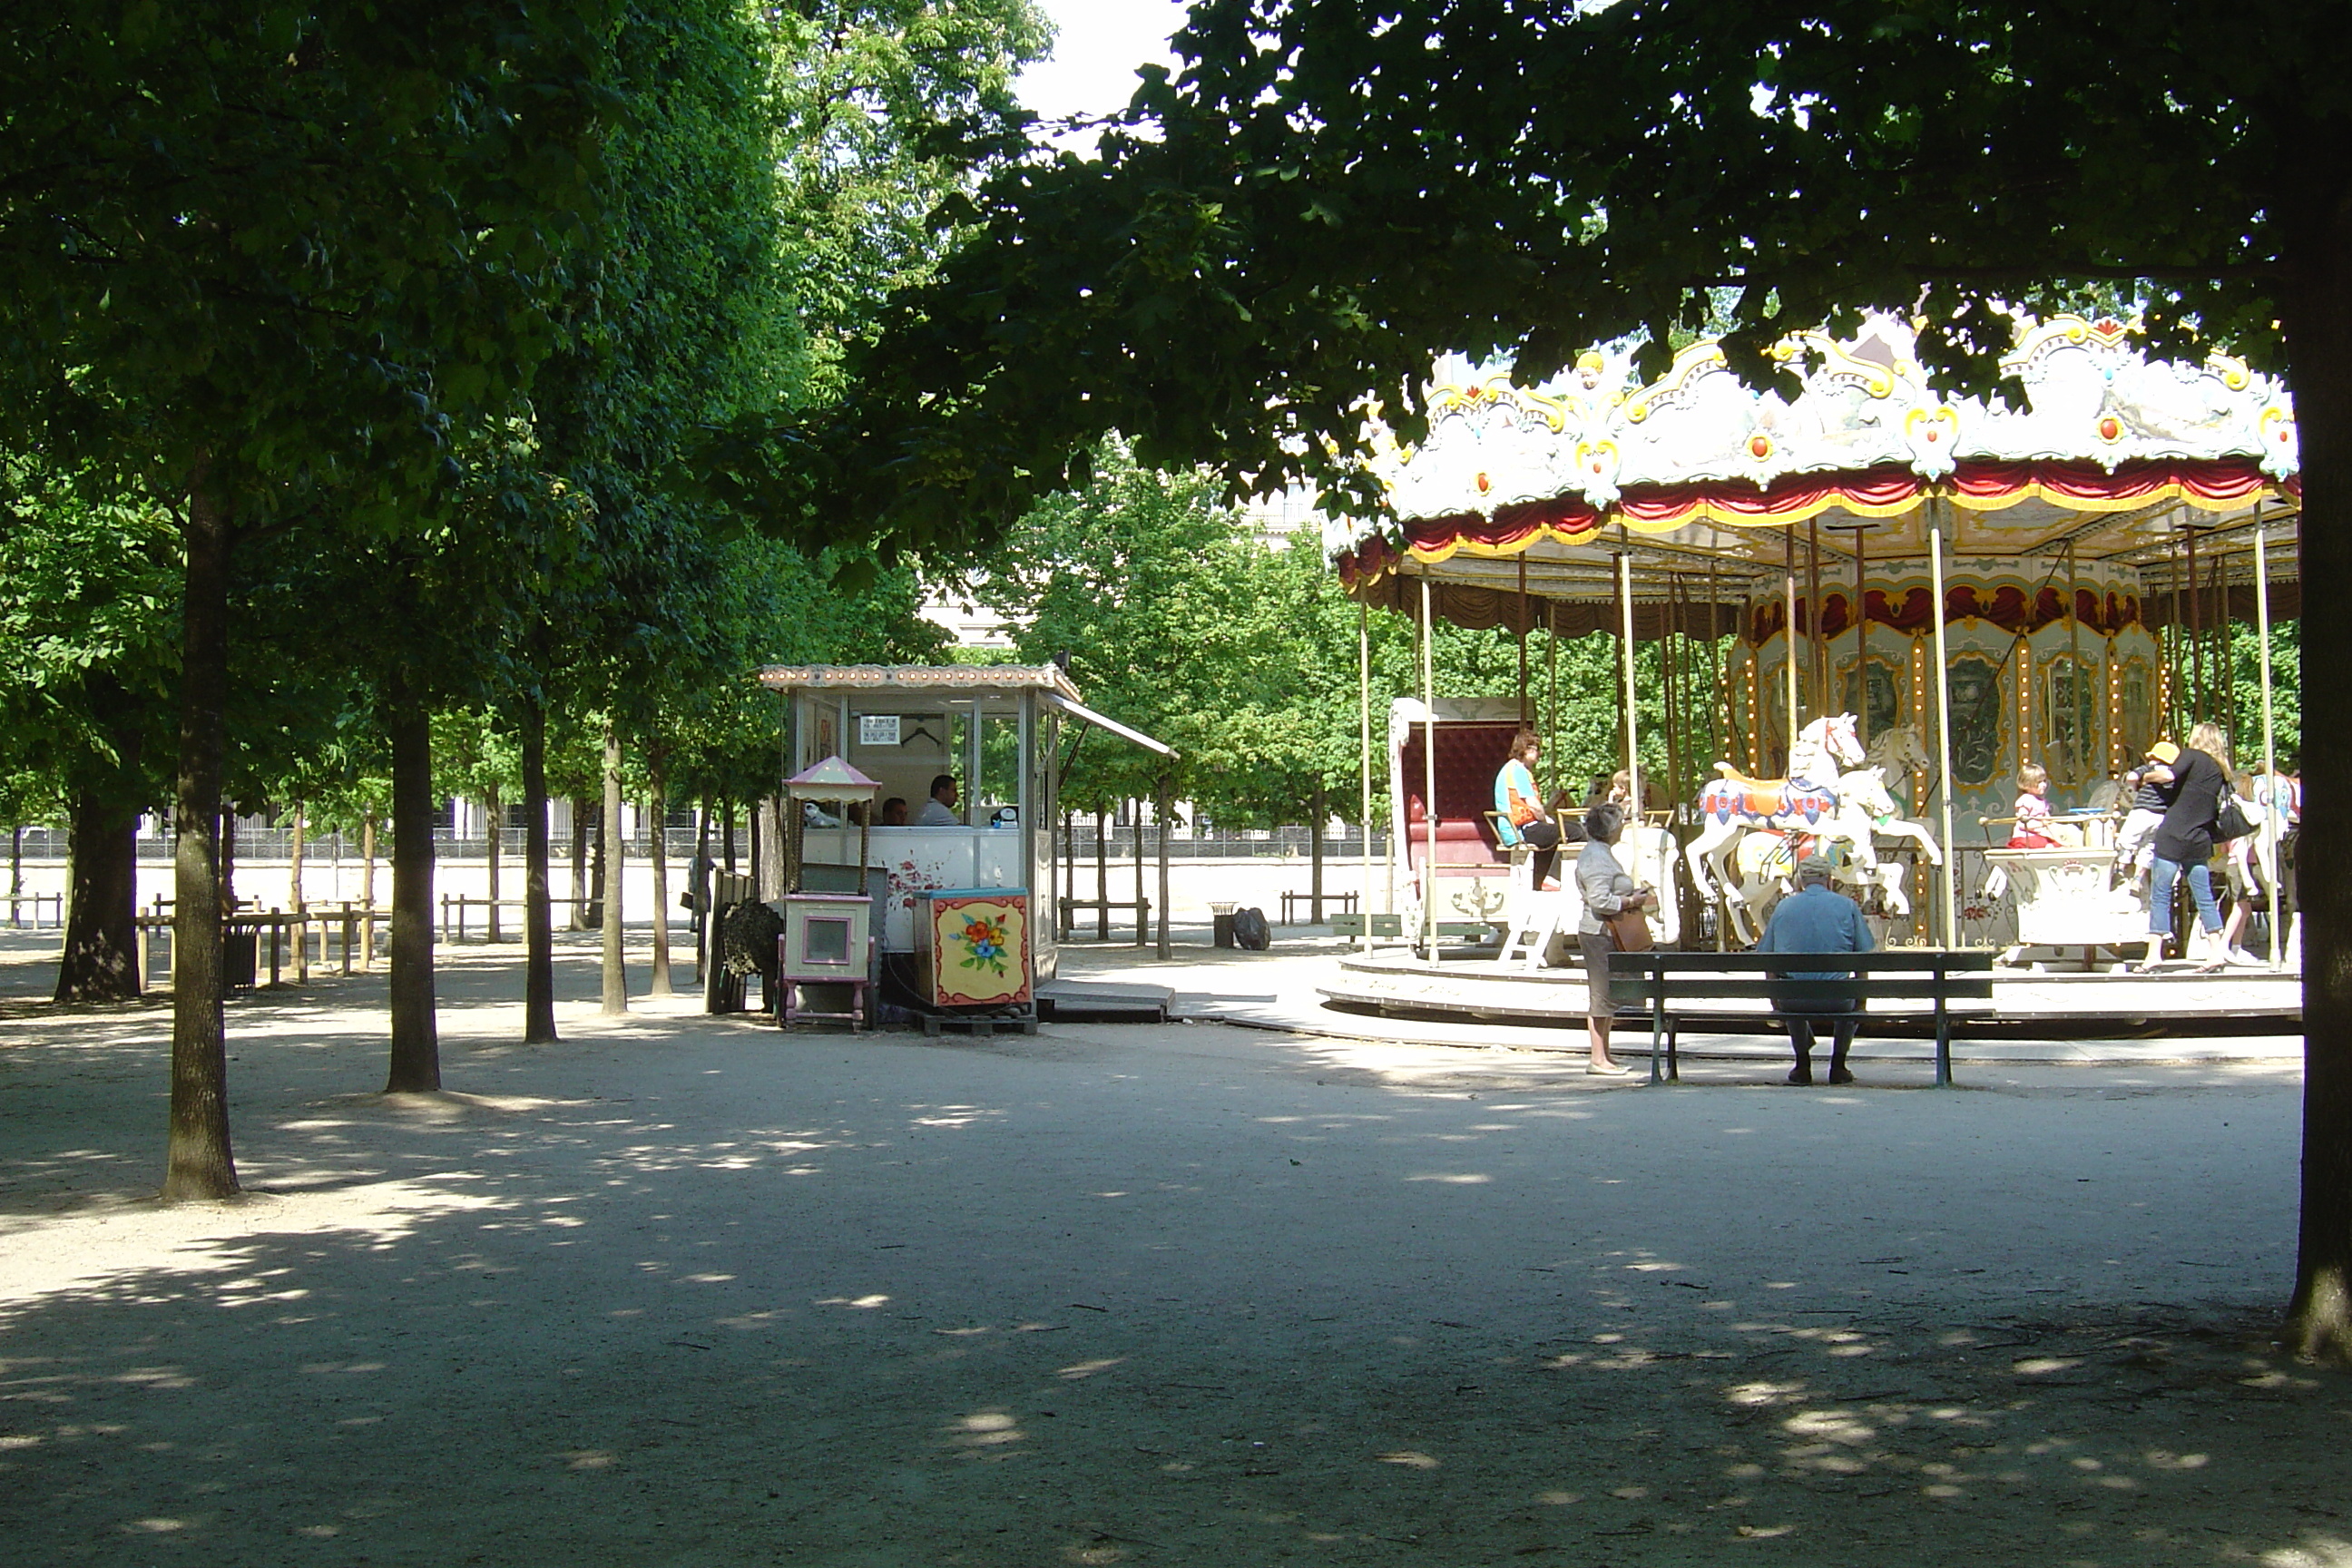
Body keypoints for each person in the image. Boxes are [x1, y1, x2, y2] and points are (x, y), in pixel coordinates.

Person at [1755, 858, 1876, 1085]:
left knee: (1792, 989)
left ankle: (1802, 1064)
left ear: (1800, 881)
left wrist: (1775, 1002)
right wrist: (1862, 1000)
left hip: (1795, 1001)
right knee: (1846, 993)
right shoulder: (1847, 906)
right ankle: (1838, 1065)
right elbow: (1863, 958)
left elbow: (1768, 960)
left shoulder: (1783, 907)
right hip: (1837, 1000)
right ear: (1829, 880)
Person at [1575, 802, 1655, 1077]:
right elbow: (1600, 900)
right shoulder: (1596, 858)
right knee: (1601, 996)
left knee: (1607, 998)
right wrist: (1632, 900)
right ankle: (1598, 1058)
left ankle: (1604, 1055)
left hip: (1606, 931)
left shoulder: (1599, 853)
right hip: (1600, 932)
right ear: (1611, 829)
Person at [2142, 722, 2232, 967]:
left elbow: (2167, 775)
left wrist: (2144, 776)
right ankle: (2216, 952)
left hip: (2173, 834)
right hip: (2199, 838)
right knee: (2204, 895)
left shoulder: (2191, 756)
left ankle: (2153, 956)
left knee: (2160, 894)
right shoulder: (2221, 770)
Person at [1493, 729, 1563, 889]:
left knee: (1553, 836)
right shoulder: (1518, 771)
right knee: (1574, 831)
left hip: (1512, 828)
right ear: (1527, 749)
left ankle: (1538, 883)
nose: (1539, 754)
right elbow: (1533, 804)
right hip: (1521, 829)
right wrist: (1546, 819)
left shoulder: (1509, 769)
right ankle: (1552, 878)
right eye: (1536, 749)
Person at [2113, 743, 2178, 878]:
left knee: (2127, 839)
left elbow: (2131, 777)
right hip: (2160, 815)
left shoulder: (2149, 769)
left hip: (2142, 811)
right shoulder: (2173, 773)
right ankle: (2138, 878)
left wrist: (2135, 784)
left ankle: (2120, 870)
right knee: (2149, 846)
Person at [2007, 761, 2059, 848]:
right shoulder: (2026, 800)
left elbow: (2047, 819)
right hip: (2025, 836)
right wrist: (2040, 825)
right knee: (2041, 843)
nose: (2043, 785)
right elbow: (2022, 822)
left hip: (2040, 835)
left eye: (2044, 781)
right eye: (2039, 782)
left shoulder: (2043, 801)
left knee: (2058, 843)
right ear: (2027, 784)